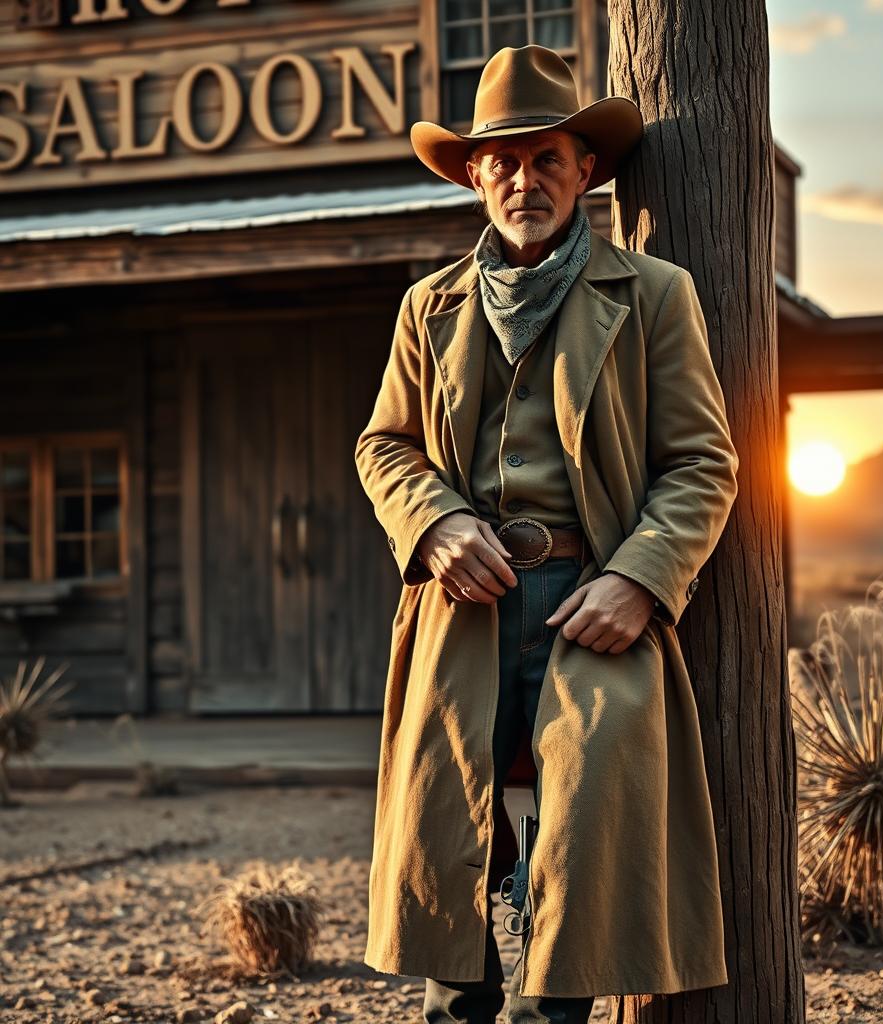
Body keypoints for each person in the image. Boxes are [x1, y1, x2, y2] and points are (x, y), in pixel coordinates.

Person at [354, 44, 740, 1024]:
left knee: (588, 828)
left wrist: (640, 579)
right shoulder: (426, 305)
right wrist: (435, 522)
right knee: (450, 827)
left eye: (547, 161)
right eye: (504, 162)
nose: (524, 180)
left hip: (591, 604)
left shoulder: (653, 293)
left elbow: (703, 462)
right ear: (474, 174)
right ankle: (457, 1007)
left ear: (584, 171)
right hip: (461, 606)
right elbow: (384, 446)